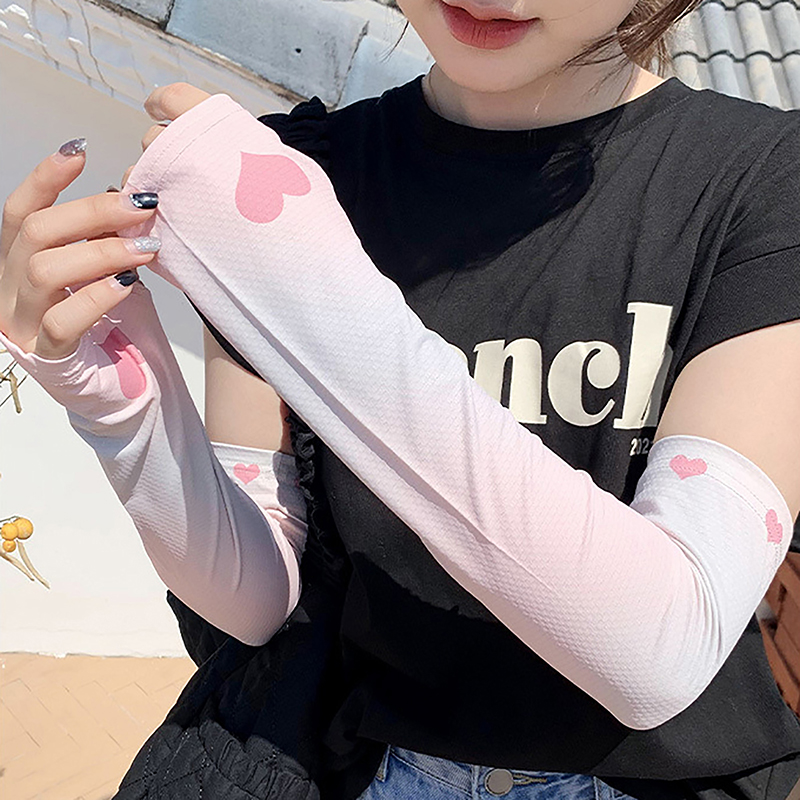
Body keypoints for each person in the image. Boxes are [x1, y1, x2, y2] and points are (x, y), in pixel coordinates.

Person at [1, 1, 799, 798]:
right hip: (366, 769)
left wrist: (309, 294)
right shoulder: (293, 168)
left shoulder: (762, 183)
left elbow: (662, 651)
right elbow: (258, 601)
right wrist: (125, 412)